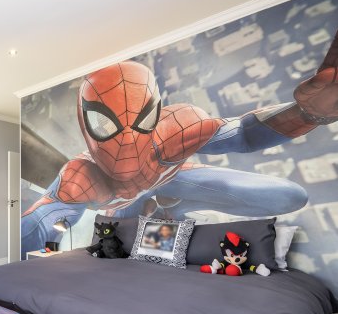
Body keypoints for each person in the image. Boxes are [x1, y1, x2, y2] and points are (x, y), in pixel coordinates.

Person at [20, 30, 338, 259]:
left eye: (142, 120)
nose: (128, 141)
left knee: (289, 195)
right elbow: (37, 224)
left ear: (155, 112)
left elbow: (243, 133)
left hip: (171, 177)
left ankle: (175, 209)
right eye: (105, 124)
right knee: (124, 235)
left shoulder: (177, 131)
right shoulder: (81, 178)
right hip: (127, 204)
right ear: (86, 124)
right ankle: (164, 225)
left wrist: (307, 113)